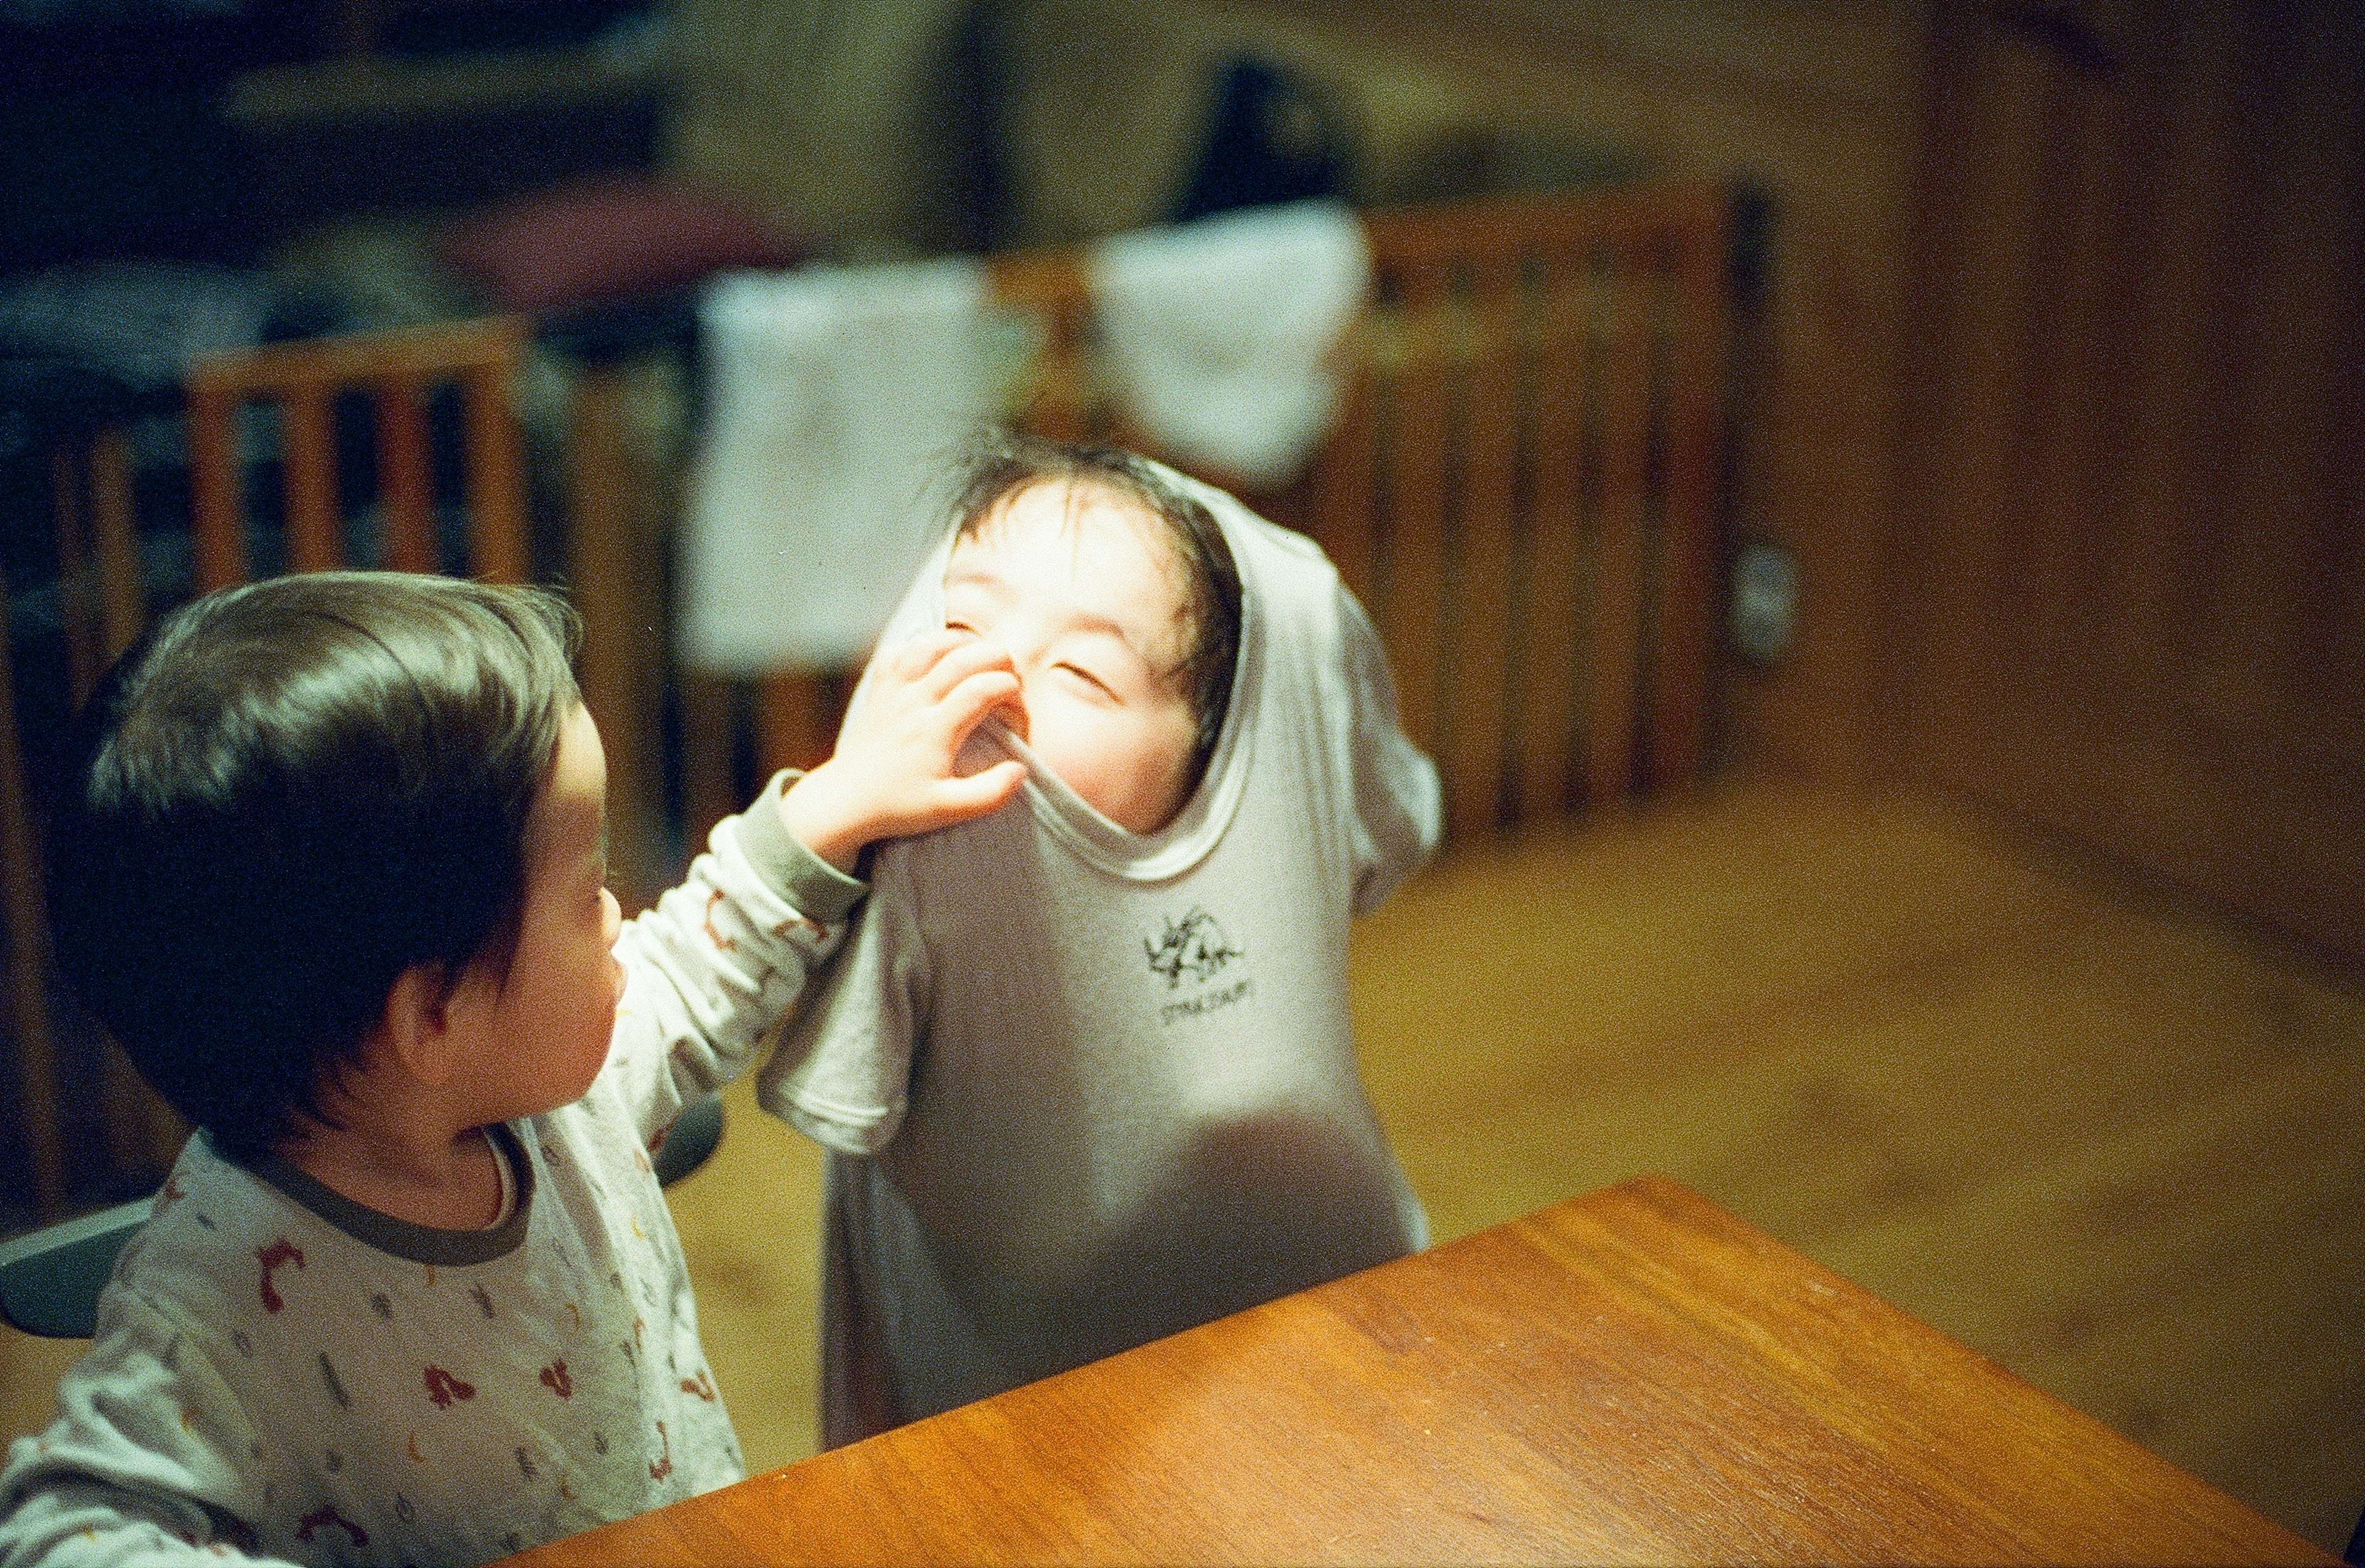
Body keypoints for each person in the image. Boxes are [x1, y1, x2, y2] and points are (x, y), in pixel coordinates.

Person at [0, 571, 1024, 1566]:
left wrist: (842, 801)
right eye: (589, 891)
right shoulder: (217, 1300)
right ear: (434, 1015)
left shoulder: (547, 1096)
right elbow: (56, 1530)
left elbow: (695, 963)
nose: (624, 913)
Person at [759, 435, 1440, 1445]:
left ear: (1209, 741)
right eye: (962, 624)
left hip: (1331, 1316)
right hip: (1017, 1408)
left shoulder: (1286, 679)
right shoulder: (924, 845)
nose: (994, 684)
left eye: (1082, 672)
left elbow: (1388, 827)